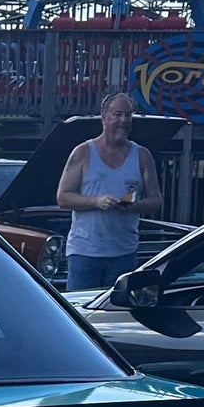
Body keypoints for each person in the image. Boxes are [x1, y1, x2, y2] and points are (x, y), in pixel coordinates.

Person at [56, 91, 164, 291]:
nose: (124, 120)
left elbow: (155, 201)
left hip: (124, 254)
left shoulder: (141, 155)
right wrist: (97, 202)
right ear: (104, 117)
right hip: (85, 254)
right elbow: (63, 198)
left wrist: (134, 206)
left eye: (128, 115)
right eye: (118, 114)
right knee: (81, 314)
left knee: (116, 316)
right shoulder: (83, 152)